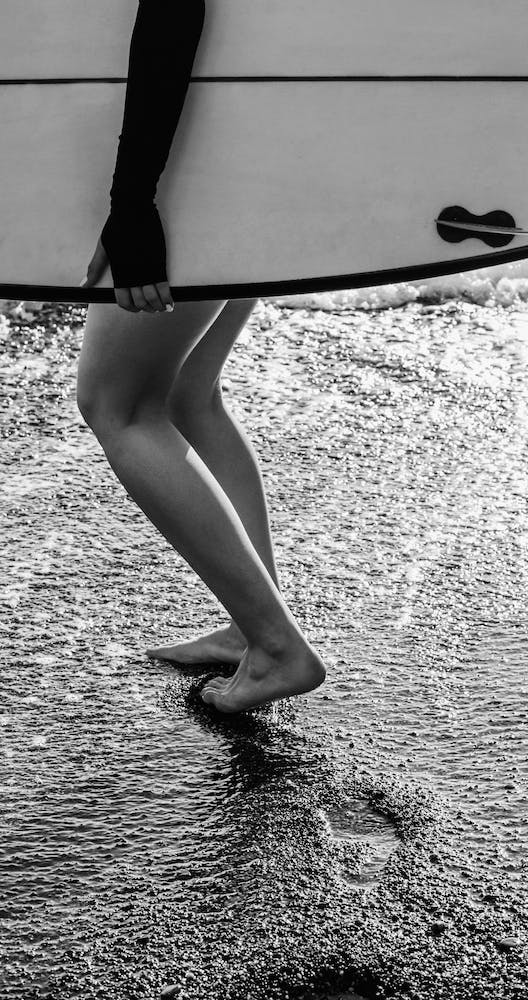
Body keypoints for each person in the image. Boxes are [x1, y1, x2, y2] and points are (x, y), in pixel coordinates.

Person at [77, 0, 326, 713]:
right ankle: (252, 631)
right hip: (247, 150)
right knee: (187, 394)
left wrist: (132, 204)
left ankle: (277, 648)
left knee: (118, 405)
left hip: (184, 169)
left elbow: (173, 8)